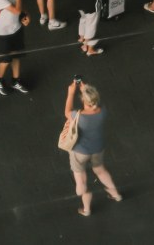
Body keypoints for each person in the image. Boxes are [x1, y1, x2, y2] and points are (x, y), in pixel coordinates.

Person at [63, 80, 122, 216]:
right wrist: (86, 89)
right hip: (98, 147)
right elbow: (93, 102)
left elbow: (67, 111)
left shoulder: (79, 116)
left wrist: (71, 93)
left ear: (83, 100)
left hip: (80, 152)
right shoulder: (103, 111)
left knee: (81, 179)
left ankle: (87, 208)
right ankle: (115, 194)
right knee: (100, 170)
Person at [0, 0, 32, 96]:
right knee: (6, 59)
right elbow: (16, 10)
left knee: (16, 55)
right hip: (3, 33)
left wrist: (26, 15)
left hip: (16, 29)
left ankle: (15, 80)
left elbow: (20, 7)